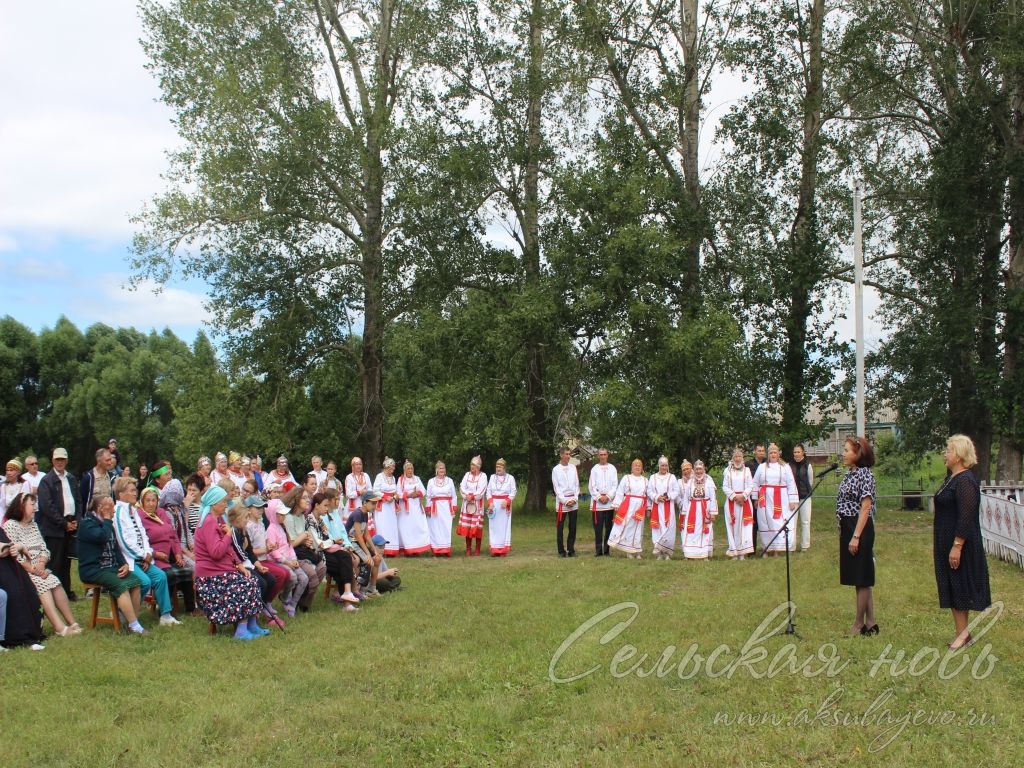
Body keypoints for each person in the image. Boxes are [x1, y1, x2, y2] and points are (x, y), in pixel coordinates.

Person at [933, 434, 991, 650]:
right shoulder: (952, 478)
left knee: (959, 587)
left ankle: (963, 634)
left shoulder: (965, 480)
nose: (945, 455)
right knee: (951, 585)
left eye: (948, 451)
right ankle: (962, 633)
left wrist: (957, 546)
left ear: (958, 455)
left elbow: (966, 516)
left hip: (960, 544)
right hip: (945, 541)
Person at [192, 485, 268, 640]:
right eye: (224, 501)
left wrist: (239, 564)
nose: (226, 505)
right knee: (244, 585)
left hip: (221, 570)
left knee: (252, 580)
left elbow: (228, 550)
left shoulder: (218, 519)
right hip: (210, 576)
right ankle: (241, 631)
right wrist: (228, 534)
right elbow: (216, 553)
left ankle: (251, 625)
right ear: (214, 503)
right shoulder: (208, 523)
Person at [3, 493, 82, 636]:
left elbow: (44, 548)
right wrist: (33, 569)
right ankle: (59, 627)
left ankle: (72, 622)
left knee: (55, 582)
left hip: (38, 566)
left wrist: (42, 563)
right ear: (21, 506)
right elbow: (14, 554)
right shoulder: (10, 526)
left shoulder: (33, 525)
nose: (35, 508)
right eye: (32, 504)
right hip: (22, 570)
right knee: (42, 584)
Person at [113, 479, 180, 626]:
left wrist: (148, 553)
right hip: (128, 560)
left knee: (160, 576)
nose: (134, 493)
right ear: (121, 494)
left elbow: (143, 535)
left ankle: (165, 615)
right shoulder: (118, 512)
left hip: (143, 558)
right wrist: (143, 556)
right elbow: (123, 542)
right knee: (144, 582)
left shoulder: (133, 510)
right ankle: (126, 612)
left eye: (134, 490)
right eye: (131, 490)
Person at [77, 496, 147, 636]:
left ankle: (133, 622)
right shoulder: (87, 524)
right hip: (94, 569)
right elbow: (102, 537)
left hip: (111, 567)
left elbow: (115, 548)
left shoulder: (108, 523)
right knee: (120, 585)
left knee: (136, 582)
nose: (114, 510)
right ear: (100, 509)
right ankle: (134, 626)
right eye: (110, 508)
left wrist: (125, 565)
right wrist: (108, 519)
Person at [836, 436, 878, 636]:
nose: (843, 453)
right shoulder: (849, 474)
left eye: (846, 450)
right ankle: (871, 622)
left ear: (858, 454)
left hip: (858, 526)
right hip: (847, 526)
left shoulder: (865, 475)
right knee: (860, 577)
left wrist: (856, 536)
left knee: (862, 576)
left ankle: (858, 624)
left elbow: (866, 507)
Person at [138, 486, 197, 615]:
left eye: (153, 500)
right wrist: (156, 554)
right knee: (168, 574)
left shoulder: (161, 513)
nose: (151, 503)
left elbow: (173, 536)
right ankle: (165, 609)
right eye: (147, 500)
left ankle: (191, 608)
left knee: (186, 570)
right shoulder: (140, 517)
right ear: (142, 501)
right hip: (153, 557)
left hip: (169, 555)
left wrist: (177, 554)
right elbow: (141, 543)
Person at [35, 447, 81, 599]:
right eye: (57, 459)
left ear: (66, 460)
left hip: (70, 524)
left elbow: (79, 501)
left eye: (62, 459)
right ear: (53, 460)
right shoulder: (47, 481)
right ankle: (52, 593)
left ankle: (66, 591)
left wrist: (77, 521)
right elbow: (47, 506)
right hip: (54, 527)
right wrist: (63, 523)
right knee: (54, 562)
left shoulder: (72, 479)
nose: (60, 462)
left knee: (67, 562)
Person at [242, 494, 288, 627]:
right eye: (257, 508)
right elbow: (249, 551)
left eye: (262, 508)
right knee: (279, 575)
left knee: (283, 574)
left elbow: (263, 541)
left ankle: (266, 602)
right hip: (255, 561)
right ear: (249, 509)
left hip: (263, 558)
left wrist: (269, 545)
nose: (261, 510)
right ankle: (264, 604)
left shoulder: (260, 522)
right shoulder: (248, 526)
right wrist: (265, 550)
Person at [309, 491, 360, 610]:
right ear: (316, 506)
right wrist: (333, 542)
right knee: (343, 563)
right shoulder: (310, 520)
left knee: (344, 557)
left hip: (328, 550)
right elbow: (319, 544)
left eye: (327, 505)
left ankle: (347, 595)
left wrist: (338, 544)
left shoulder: (320, 520)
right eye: (325, 505)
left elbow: (328, 537)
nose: (327, 508)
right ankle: (347, 600)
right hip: (317, 554)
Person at [281, 485, 325, 612]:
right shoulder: (289, 517)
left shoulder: (301, 516)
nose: (308, 500)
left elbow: (302, 538)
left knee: (322, 567)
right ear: (295, 499)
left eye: (308, 498)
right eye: (304, 498)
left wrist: (307, 540)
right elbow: (292, 543)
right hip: (294, 554)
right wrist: (305, 536)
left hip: (304, 550)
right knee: (312, 577)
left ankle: (304, 601)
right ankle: (301, 603)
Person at [0, 527, 45, 649]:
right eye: (31, 505)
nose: (34, 508)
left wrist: (15, 547)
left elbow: (8, 545)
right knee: (12, 592)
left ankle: (29, 632)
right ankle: (15, 636)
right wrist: (6, 548)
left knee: (26, 588)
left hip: (7, 565)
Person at [265, 499, 309, 617]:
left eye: (284, 514)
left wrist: (293, 559)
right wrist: (287, 562)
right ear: (273, 514)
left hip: (289, 560)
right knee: (293, 577)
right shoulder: (271, 530)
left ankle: (292, 604)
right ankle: (285, 599)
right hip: (278, 561)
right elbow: (274, 552)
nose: (283, 516)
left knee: (304, 578)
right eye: (280, 514)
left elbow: (289, 546)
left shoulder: (283, 527)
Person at [752, 444, 798, 555]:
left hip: (781, 499)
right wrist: (755, 498)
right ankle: (767, 548)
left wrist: (792, 500)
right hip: (766, 499)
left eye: (775, 453)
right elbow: (755, 483)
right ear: (768, 455)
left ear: (778, 454)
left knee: (780, 522)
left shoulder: (785, 467)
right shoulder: (762, 467)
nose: (773, 455)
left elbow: (791, 483)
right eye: (771, 453)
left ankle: (779, 548)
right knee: (766, 522)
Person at [608, 459, 648, 558]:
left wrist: (648, 508)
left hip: (640, 507)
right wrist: (617, 504)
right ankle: (629, 551)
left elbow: (648, 495)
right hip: (629, 505)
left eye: (639, 465)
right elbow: (620, 491)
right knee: (628, 527)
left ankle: (637, 551)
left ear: (642, 468)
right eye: (635, 465)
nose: (637, 467)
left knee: (639, 528)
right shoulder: (627, 478)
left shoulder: (645, 480)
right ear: (632, 467)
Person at [345, 491, 383, 596]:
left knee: (377, 558)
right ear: (365, 503)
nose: (375, 506)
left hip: (357, 542)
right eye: (373, 503)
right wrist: (367, 553)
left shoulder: (366, 514)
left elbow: (366, 535)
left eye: (376, 503)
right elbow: (357, 536)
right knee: (368, 561)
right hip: (350, 542)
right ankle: (359, 590)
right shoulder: (357, 514)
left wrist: (374, 551)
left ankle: (372, 588)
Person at [680, 460, 718, 559]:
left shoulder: (709, 480)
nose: (698, 471)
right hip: (692, 509)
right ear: (694, 470)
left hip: (705, 509)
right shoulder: (690, 482)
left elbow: (713, 497)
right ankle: (689, 553)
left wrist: (713, 513)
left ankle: (704, 554)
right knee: (690, 531)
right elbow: (686, 498)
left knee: (704, 531)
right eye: (696, 469)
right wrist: (684, 513)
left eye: (700, 469)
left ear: (704, 469)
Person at [722, 448, 755, 559]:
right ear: (732, 458)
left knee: (744, 527)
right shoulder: (727, 471)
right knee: (732, 527)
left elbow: (751, 485)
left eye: (739, 456)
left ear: (742, 458)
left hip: (745, 502)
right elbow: (725, 486)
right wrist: (735, 497)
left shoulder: (747, 470)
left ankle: (742, 553)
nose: (737, 459)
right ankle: (734, 552)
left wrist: (743, 496)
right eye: (735, 457)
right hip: (732, 502)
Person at [647, 457, 680, 560]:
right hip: (657, 506)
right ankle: (659, 553)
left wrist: (668, 496)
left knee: (668, 528)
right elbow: (649, 491)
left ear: (668, 466)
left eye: (666, 465)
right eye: (662, 465)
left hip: (668, 506)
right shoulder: (653, 477)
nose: (664, 467)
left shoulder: (672, 477)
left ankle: (667, 553)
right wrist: (657, 497)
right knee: (658, 528)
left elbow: (676, 491)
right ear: (659, 465)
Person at [397, 460, 430, 556]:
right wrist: (408, 494)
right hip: (406, 508)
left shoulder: (417, 479)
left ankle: (417, 549)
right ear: (405, 470)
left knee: (417, 527)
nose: (410, 470)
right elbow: (398, 492)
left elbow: (424, 491)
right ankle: (408, 549)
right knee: (407, 528)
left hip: (416, 507)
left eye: (411, 468)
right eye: (408, 468)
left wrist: (417, 494)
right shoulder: (401, 480)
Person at [588, 449, 617, 557]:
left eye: (604, 454)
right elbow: (591, 486)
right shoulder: (594, 469)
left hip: (609, 503)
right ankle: (598, 551)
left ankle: (607, 550)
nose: (603, 456)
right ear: (598, 456)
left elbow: (615, 485)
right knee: (598, 528)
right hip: (598, 503)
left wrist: (608, 496)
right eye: (601, 455)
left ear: (607, 455)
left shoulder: (612, 468)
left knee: (609, 528)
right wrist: (599, 497)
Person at [424, 461, 456, 557]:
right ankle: (436, 549)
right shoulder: (431, 481)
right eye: (440, 468)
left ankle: (446, 549)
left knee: (446, 527)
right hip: (435, 508)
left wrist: (453, 508)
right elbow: (428, 496)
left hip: (446, 507)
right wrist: (428, 508)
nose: (442, 470)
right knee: (435, 528)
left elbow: (454, 496)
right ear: (436, 470)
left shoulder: (449, 481)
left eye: (443, 468)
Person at [551, 448, 579, 558]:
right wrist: (565, 501)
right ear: (561, 455)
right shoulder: (556, 470)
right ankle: (561, 551)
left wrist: (575, 499)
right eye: (566, 454)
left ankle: (571, 549)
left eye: (569, 454)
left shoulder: (573, 468)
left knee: (573, 527)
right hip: (562, 503)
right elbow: (556, 487)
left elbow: (577, 484)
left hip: (573, 501)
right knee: (560, 527)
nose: (568, 456)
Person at [458, 456, 488, 557]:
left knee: (477, 526)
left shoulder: (483, 476)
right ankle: (468, 549)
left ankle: (477, 549)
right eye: (471, 465)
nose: (472, 467)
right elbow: (462, 487)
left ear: (478, 466)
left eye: (474, 465)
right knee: (467, 527)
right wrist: (467, 496)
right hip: (467, 504)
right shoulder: (467, 475)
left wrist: (473, 496)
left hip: (477, 505)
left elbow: (482, 490)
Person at [485, 459, 516, 557]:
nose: (498, 469)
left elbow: (513, 491)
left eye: (500, 467)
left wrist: (507, 501)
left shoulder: (510, 478)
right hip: (494, 505)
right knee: (494, 527)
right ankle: (494, 549)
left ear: (504, 468)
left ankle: (503, 550)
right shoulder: (492, 477)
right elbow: (488, 491)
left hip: (504, 506)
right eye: (497, 467)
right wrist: (490, 503)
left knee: (504, 527)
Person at [373, 458, 401, 556]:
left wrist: (395, 496)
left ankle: (392, 549)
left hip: (391, 506)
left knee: (392, 526)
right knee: (383, 525)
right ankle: (382, 549)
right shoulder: (379, 476)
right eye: (391, 466)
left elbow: (395, 490)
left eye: (393, 466)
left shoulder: (393, 478)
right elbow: (375, 490)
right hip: (383, 506)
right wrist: (385, 497)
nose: (393, 469)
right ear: (386, 467)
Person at [791, 443, 814, 551]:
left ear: (803, 452)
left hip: (805, 497)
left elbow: (810, 481)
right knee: (792, 523)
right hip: (793, 499)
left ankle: (805, 545)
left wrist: (806, 493)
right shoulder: (789, 465)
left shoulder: (808, 465)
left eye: (798, 452)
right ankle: (792, 546)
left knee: (805, 521)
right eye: (795, 452)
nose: (796, 454)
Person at [80, 448, 116, 514]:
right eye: (107, 460)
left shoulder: (112, 477)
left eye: (110, 459)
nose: (110, 463)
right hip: (92, 519)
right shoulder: (88, 478)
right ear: (99, 461)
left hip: (108, 518)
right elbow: (82, 501)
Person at [746, 443, 766, 553]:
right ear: (755, 451)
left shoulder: (767, 463)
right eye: (759, 450)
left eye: (763, 450)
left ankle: (766, 546)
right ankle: (751, 548)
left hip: (766, 498)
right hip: (751, 498)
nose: (761, 453)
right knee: (753, 523)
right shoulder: (748, 465)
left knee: (764, 522)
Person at [345, 457, 374, 529]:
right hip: (354, 503)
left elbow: (370, 489)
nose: (358, 466)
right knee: (354, 524)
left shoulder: (366, 475)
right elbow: (348, 494)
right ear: (353, 466)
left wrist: (366, 493)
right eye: (356, 464)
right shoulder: (349, 477)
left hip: (365, 503)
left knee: (365, 525)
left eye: (360, 464)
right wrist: (359, 492)